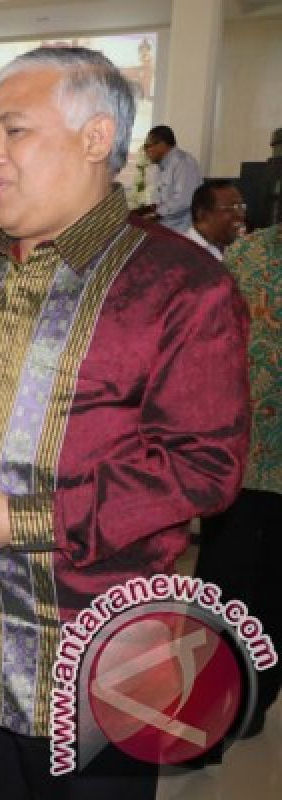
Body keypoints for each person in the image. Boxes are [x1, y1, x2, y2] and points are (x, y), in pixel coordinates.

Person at [0, 47, 248, 799]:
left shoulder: (180, 284)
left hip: (94, 663)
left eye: (12, 132)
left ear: (95, 138)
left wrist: (18, 520)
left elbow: (203, 469)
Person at [193, 222, 281, 742]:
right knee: (229, 581)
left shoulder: (245, 253)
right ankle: (224, 702)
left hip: (240, 456)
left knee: (253, 584)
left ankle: (242, 699)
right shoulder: (247, 256)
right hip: (239, 459)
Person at [139, 124, 202, 232]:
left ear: (162, 144)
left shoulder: (183, 163)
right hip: (166, 230)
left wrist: (156, 214)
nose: (146, 151)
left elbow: (184, 200)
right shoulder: (160, 166)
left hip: (182, 232)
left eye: (147, 146)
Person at [183, 179, 247, 260]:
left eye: (241, 207)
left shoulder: (230, 250)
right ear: (202, 214)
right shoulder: (183, 255)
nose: (241, 215)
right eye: (232, 208)